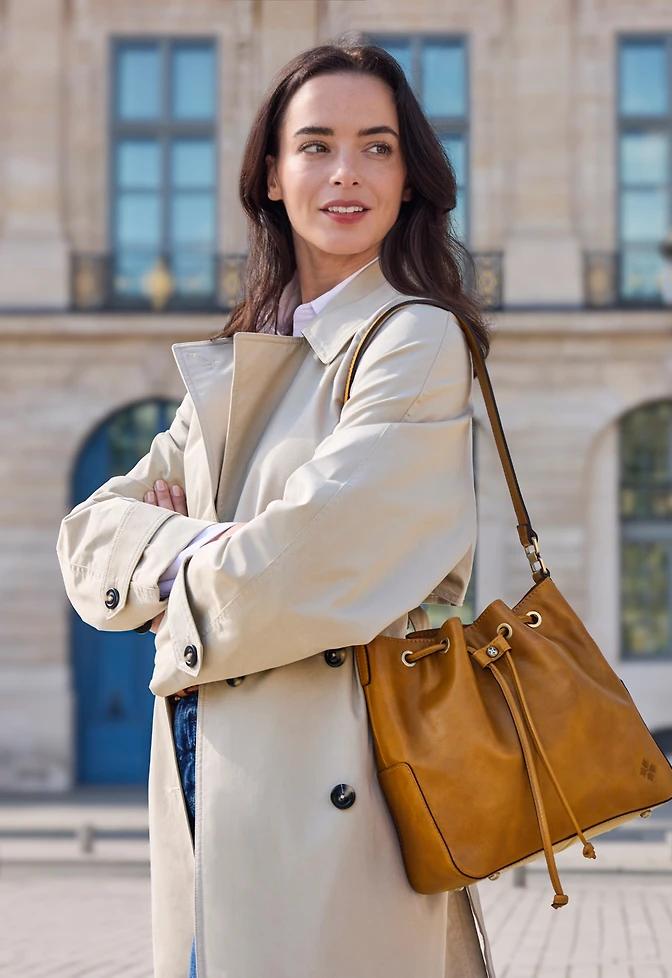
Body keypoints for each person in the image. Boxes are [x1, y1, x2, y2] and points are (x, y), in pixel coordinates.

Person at [56, 32, 495, 978]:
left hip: (333, 812)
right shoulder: (248, 359)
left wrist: (170, 553)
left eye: (378, 147)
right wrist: (216, 549)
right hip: (203, 786)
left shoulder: (414, 341)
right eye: (316, 145)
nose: (347, 173)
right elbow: (87, 538)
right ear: (269, 173)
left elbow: (303, 566)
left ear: (410, 179)